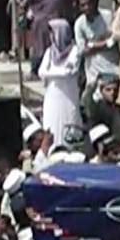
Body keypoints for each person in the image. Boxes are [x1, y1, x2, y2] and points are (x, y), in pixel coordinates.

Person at [39, 18, 82, 148]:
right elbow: (41, 71)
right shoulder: (49, 52)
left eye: (53, 33)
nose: (51, 36)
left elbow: (68, 72)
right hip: (52, 97)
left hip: (68, 96)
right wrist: (55, 72)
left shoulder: (75, 51)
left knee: (68, 123)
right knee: (51, 125)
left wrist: (51, 72)